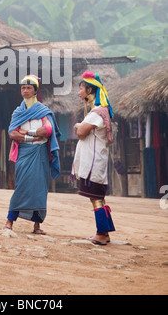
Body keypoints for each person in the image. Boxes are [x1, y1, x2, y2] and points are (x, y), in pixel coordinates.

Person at [4, 75, 61, 235]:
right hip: (24, 153)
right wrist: (34, 136)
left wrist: (26, 132)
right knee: (21, 185)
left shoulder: (43, 111)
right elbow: (12, 134)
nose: (26, 90)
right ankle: (10, 220)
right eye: (23, 88)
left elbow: (48, 130)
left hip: (40, 153)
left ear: (35, 90)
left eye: (29, 88)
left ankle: (36, 226)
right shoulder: (17, 112)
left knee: (39, 188)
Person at [72, 71, 115, 245]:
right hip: (95, 162)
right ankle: (104, 233)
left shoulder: (97, 113)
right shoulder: (98, 112)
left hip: (93, 163)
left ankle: (101, 234)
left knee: (96, 198)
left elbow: (81, 132)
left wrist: (77, 126)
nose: (79, 92)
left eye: (81, 88)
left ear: (89, 90)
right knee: (98, 198)